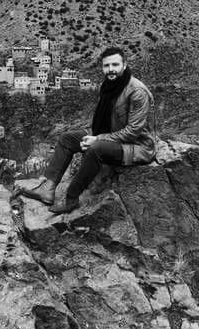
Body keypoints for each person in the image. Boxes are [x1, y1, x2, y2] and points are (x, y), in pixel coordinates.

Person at [19, 46, 156, 214]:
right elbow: (104, 121)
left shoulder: (137, 91)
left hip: (136, 146)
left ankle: (71, 198)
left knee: (95, 149)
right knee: (67, 138)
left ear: (125, 65)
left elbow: (133, 132)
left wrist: (97, 139)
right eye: (107, 66)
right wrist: (94, 135)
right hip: (111, 136)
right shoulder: (109, 86)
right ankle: (47, 188)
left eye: (115, 65)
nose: (110, 69)